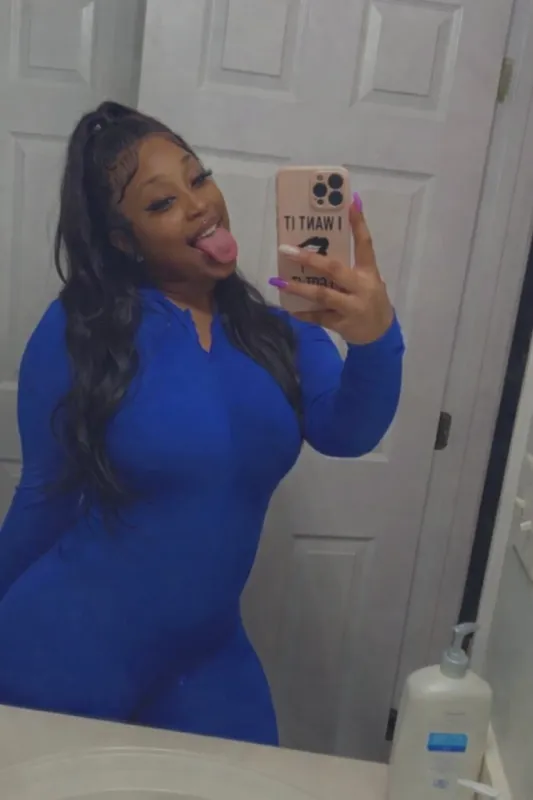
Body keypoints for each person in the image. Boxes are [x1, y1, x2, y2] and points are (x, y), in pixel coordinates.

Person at [0, 102, 404, 746]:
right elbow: (42, 497)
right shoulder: (80, 330)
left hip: (208, 655)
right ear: (123, 239)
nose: (199, 206)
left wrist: (375, 337)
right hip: (67, 644)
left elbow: (348, 433)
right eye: (162, 203)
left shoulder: (281, 330)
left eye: (199, 177)